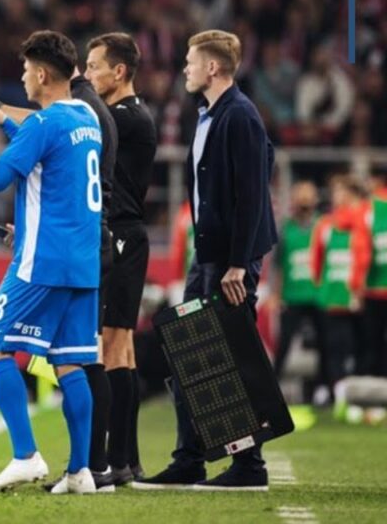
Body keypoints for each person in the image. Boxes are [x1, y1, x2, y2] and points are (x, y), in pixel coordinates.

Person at [0, 30, 102, 494]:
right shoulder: (86, 117)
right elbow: (51, 162)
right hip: (82, 263)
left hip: (41, 262)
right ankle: (80, 471)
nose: (22, 78)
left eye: (26, 70)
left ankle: (26, 456)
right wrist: (4, 122)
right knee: (70, 365)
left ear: (41, 74)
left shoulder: (43, 123)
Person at [134, 29, 278, 492]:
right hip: (209, 256)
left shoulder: (239, 115)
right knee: (188, 355)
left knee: (231, 358)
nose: (185, 68)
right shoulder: (211, 114)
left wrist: (239, 262)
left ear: (212, 67)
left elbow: (253, 193)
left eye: (191, 61)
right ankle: (190, 458)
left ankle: (249, 465)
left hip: (229, 261)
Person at [84, 32, 158, 485]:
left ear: (119, 71)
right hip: (126, 236)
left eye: (94, 66)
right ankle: (126, 460)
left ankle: (113, 461)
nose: (88, 74)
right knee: (122, 351)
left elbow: (62, 122)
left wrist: (3, 113)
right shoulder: (125, 116)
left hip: (122, 237)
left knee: (112, 347)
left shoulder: (124, 118)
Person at [311, 176, 370, 398]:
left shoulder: (365, 222)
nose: (338, 197)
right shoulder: (325, 225)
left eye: (342, 192)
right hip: (333, 297)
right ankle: (336, 394)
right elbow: (316, 261)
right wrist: (322, 288)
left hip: (360, 297)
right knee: (334, 348)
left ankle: (361, 396)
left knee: (363, 348)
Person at [272, 181, 322, 388]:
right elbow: (278, 265)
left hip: (318, 295)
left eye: (308, 197)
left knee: (324, 345)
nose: (304, 202)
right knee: (283, 344)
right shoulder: (285, 229)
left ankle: (321, 390)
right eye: (300, 197)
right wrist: (276, 295)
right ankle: (272, 386)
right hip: (292, 296)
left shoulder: (322, 225)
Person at [360, 171, 387, 377]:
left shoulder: (368, 209)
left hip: (373, 287)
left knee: (372, 342)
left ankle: (374, 383)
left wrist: (357, 282)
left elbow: (361, 250)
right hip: (376, 286)